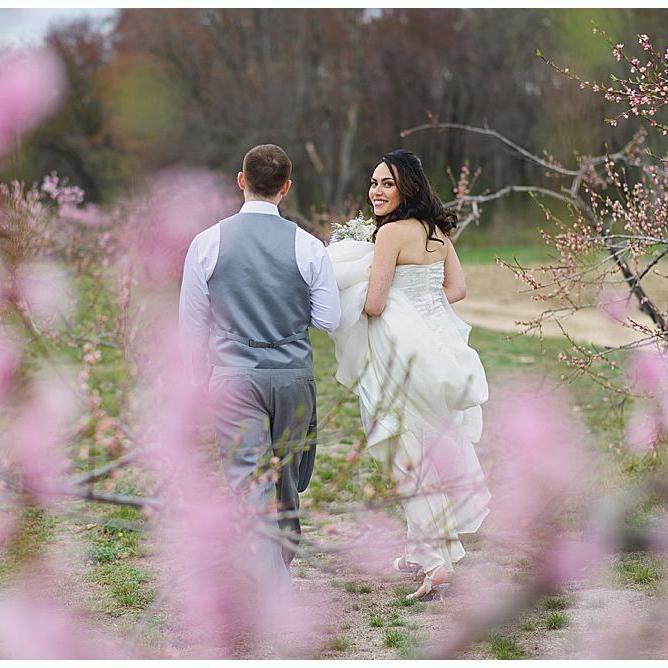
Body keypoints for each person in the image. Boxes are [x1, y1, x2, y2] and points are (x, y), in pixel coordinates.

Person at [327, 149, 490, 602]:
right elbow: (457, 290)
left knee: (408, 456)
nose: (376, 191)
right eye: (374, 182)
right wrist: (420, 303)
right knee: (428, 449)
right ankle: (422, 550)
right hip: (439, 352)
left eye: (387, 184)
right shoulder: (437, 232)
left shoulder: (390, 236)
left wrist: (351, 291)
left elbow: (376, 304)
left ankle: (437, 563)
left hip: (401, 357)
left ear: (408, 189)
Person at [178, 144, 341, 596]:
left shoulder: (207, 242)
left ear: (240, 180)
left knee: (249, 480)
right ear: (286, 188)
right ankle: (278, 579)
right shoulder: (308, 246)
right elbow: (329, 318)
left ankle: (273, 580)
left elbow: (191, 323)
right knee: (288, 480)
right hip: (291, 376)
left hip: (231, 378)